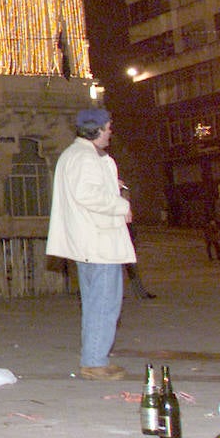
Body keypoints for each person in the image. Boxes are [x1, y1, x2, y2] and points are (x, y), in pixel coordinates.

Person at [46, 108, 135, 381]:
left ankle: (95, 358)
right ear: (96, 129)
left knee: (97, 302)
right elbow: (87, 194)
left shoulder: (77, 155)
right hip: (99, 242)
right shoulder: (84, 157)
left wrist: (112, 185)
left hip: (91, 242)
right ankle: (95, 362)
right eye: (108, 127)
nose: (110, 132)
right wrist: (121, 205)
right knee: (104, 304)